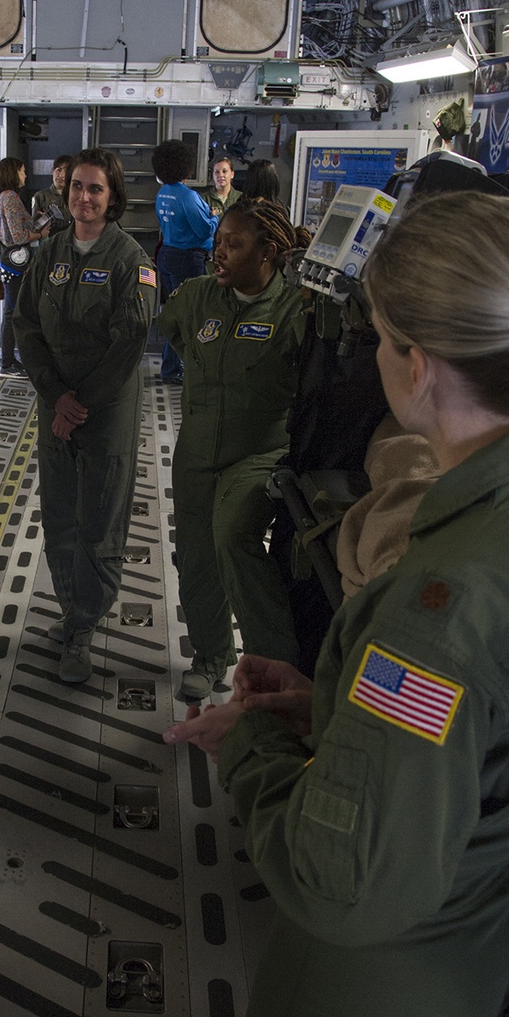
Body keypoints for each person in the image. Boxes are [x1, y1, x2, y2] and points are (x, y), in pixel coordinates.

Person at [163, 190, 509, 1017]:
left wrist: (250, 742)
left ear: (417, 362)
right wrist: (334, 706)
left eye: (377, 338)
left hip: (387, 967)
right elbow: (483, 722)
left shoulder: (440, 609)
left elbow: (345, 875)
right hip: (477, 918)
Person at [14, 147, 157, 684]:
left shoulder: (131, 262)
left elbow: (129, 343)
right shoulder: (49, 253)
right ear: (65, 191)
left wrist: (78, 405)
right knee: (60, 520)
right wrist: (55, 395)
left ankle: (82, 627)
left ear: (113, 197)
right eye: (77, 186)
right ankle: (72, 610)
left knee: (98, 524)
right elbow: (26, 327)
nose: (85, 197)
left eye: (96, 189)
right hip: (55, 408)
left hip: (104, 412)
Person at [159, 198, 306, 701]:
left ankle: (276, 665)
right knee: (196, 559)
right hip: (197, 450)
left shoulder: (295, 309)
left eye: (233, 245)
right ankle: (210, 657)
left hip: (259, 452)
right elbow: (172, 331)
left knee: (231, 535)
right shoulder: (199, 296)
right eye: (218, 241)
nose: (218, 253)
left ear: (268, 252)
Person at [152, 138, 219, 386]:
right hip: (187, 259)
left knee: (175, 312)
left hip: (168, 255)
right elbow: (203, 231)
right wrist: (215, 217)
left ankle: (172, 366)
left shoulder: (163, 194)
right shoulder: (188, 196)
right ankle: (175, 368)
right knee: (189, 316)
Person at [0, 156, 47, 377]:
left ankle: (9, 360)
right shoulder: (11, 198)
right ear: (13, 173)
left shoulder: (4, 197)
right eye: (23, 171)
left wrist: (37, 221)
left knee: (11, 311)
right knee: (14, 313)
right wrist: (41, 233)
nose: (25, 175)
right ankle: (7, 363)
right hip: (15, 265)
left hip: (9, 264)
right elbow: (18, 236)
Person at [31, 154, 72, 236]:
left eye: (66, 171)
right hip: (50, 241)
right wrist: (44, 220)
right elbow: (34, 226)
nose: (61, 175)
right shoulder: (41, 196)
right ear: (53, 171)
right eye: (59, 170)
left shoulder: (75, 196)